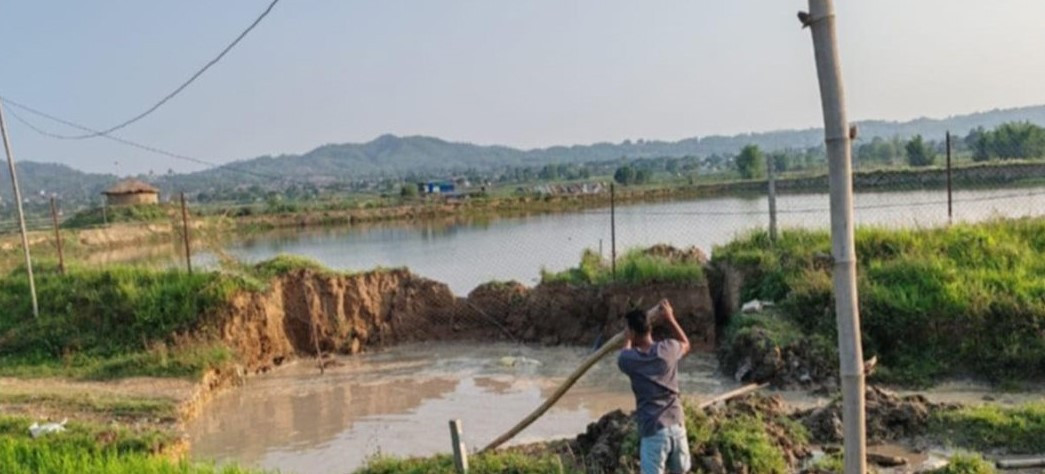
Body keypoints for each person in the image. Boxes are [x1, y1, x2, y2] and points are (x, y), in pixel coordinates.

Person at [617, 299, 691, 474]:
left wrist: (627, 339)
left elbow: (623, 353)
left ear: (632, 332)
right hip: (677, 425)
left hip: (654, 430)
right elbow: (686, 344)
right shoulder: (669, 349)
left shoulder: (630, 360)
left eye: (628, 329)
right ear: (650, 328)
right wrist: (671, 318)